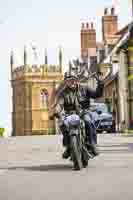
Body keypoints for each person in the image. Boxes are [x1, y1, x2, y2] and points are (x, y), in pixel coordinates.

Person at [53, 71, 104, 159]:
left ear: (77, 80)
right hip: (70, 114)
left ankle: (92, 144)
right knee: (63, 125)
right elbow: (59, 104)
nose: (72, 82)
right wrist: (57, 111)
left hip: (83, 112)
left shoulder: (85, 88)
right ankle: (68, 146)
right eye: (69, 80)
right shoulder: (63, 92)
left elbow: (97, 94)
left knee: (89, 121)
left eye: (73, 79)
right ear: (66, 82)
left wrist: (100, 83)